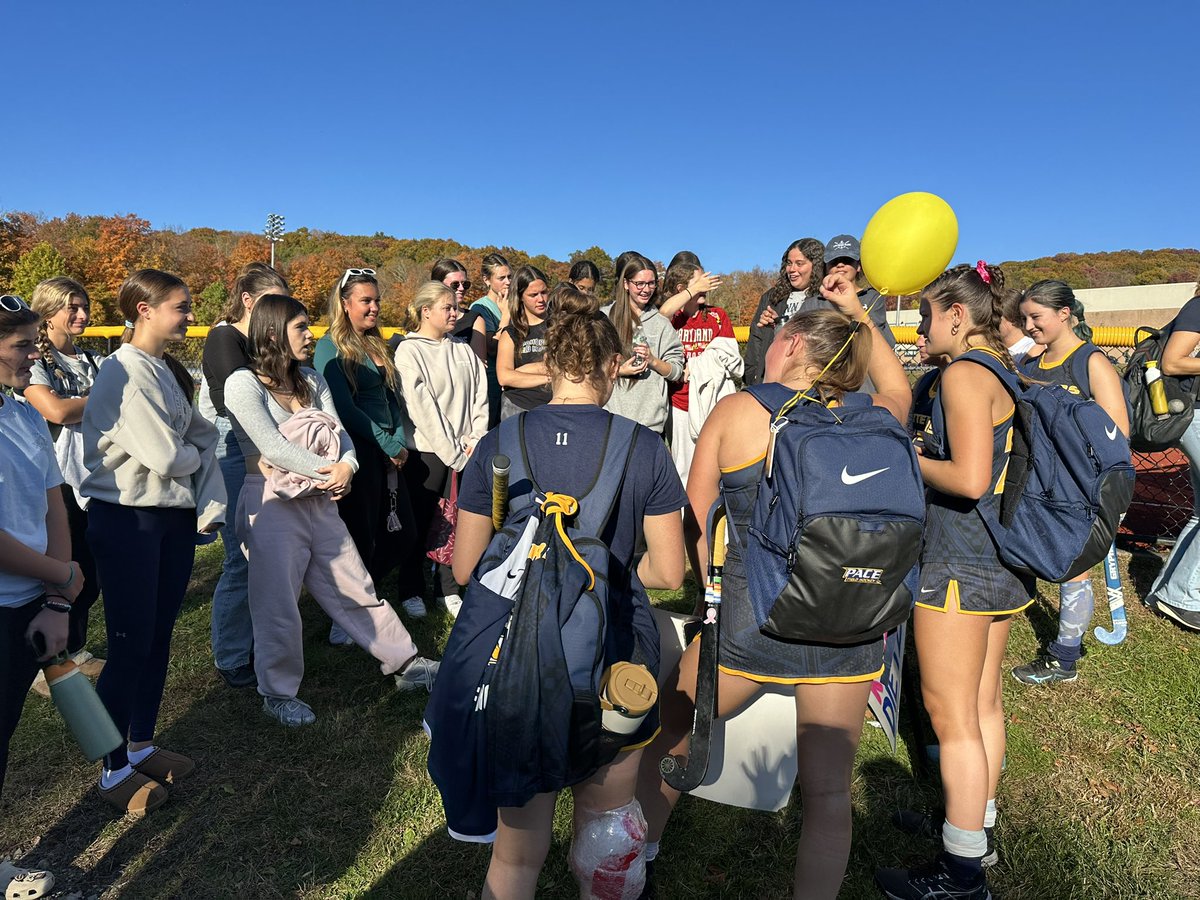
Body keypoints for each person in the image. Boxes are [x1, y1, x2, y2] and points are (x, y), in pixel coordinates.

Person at [638, 275, 911, 900]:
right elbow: (896, 384)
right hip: (852, 624)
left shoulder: (741, 411)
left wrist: (712, 598)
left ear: (790, 344)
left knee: (669, 731)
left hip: (751, 625)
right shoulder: (881, 416)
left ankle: (642, 859)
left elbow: (696, 520)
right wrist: (860, 314)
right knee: (828, 793)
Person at [450, 286, 686, 899]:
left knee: (515, 856)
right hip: (613, 657)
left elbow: (465, 569)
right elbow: (670, 572)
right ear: (613, 367)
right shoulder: (647, 449)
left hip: (519, 661)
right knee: (606, 840)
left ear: (547, 367)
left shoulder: (496, 444)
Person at [876, 263, 1030, 900]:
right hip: (999, 558)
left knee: (951, 718)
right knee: (983, 706)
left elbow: (968, 477)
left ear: (958, 317)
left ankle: (960, 873)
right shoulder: (1001, 369)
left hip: (960, 563)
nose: (919, 326)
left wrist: (908, 457)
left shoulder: (965, 376)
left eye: (927, 314)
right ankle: (975, 826)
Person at [224, 295, 439, 726]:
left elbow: (341, 434)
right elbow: (273, 447)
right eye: (301, 327)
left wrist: (348, 465)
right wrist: (333, 472)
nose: (310, 335)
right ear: (272, 334)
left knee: (355, 583)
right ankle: (278, 692)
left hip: (319, 503)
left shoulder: (310, 379)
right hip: (272, 504)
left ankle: (404, 662)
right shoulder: (241, 383)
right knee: (277, 603)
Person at [81, 269, 226, 817]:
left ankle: (141, 741)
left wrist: (189, 450)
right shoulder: (122, 371)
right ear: (144, 310)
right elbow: (172, 455)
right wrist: (192, 456)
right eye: (180, 306)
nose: (190, 315)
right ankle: (112, 763)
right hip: (127, 520)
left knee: (158, 635)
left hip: (167, 518)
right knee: (129, 643)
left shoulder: (163, 368)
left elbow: (200, 434)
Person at [0, 293, 86, 900]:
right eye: (21, 347)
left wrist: (56, 593)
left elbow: (54, 501)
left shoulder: (23, 414)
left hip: (32, 599)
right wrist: (58, 576)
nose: (36, 354)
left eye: (34, 341)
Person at [1008, 281, 1129, 685]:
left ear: (1065, 314)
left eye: (1036, 317)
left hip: (1074, 488)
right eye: (1024, 317)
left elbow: (1117, 436)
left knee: (1072, 568)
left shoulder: (1090, 362)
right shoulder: (1029, 362)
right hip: (1031, 481)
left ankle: (1065, 657)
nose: (1029, 325)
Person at [313, 268, 423, 622]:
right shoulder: (329, 346)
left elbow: (391, 398)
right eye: (366, 301)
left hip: (389, 450)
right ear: (345, 304)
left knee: (402, 533)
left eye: (377, 300)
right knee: (358, 535)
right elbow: (345, 408)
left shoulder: (377, 342)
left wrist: (396, 443)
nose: (374, 307)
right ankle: (345, 614)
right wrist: (387, 443)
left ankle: (364, 595)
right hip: (357, 451)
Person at [199, 261, 289, 689]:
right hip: (235, 448)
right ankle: (231, 656)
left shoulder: (258, 340)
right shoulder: (224, 335)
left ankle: (255, 644)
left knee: (262, 552)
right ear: (249, 300)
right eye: (272, 302)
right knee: (240, 557)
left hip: (259, 444)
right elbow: (230, 401)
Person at [22, 278, 105, 689]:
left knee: (90, 571)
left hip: (97, 475)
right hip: (54, 480)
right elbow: (53, 410)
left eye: (84, 306)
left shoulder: (93, 358)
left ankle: (74, 649)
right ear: (47, 312)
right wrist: (103, 401)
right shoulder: (33, 359)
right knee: (61, 567)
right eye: (72, 307)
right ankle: (45, 663)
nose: (82, 314)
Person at [394, 282, 489, 619]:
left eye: (455, 307)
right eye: (447, 307)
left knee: (458, 522)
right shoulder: (408, 352)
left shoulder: (463, 350)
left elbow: (480, 395)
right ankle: (410, 588)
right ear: (425, 311)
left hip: (466, 450)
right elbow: (422, 409)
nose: (454, 313)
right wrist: (453, 453)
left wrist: (476, 438)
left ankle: (446, 588)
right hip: (428, 453)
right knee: (419, 523)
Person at [1146, 285, 1200, 631]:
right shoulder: (1198, 306)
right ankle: (1182, 598)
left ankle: (1166, 593)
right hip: (1194, 415)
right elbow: (1173, 361)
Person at [658, 261, 738, 482]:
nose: (706, 285)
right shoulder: (672, 318)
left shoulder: (718, 316)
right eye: (700, 281)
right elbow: (662, 313)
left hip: (714, 403)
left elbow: (730, 358)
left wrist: (698, 366)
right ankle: (685, 516)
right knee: (684, 469)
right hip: (680, 403)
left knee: (717, 467)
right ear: (681, 288)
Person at [601, 255, 685, 435]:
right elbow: (590, 367)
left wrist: (653, 361)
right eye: (640, 284)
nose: (646, 289)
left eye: (651, 283)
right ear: (626, 284)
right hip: (610, 422)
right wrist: (620, 370)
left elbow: (677, 372)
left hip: (650, 427)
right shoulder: (604, 317)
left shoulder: (661, 323)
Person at [743, 238, 825, 385]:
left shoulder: (825, 297)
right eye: (789, 263)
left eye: (799, 263)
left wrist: (784, 326)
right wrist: (753, 376)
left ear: (816, 266)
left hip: (807, 384)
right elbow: (756, 339)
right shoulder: (771, 298)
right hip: (770, 385)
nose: (792, 269)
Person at [497, 265, 552, 419]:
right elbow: (504, 377)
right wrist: (548, 377)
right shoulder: (510, 333)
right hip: (518, 408)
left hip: (555, 407)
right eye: (533, 295)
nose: (541, 299)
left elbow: (563, 366)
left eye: (544, 292)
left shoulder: (559, 326)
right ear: (520, 296)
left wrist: (522, 371)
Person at [472, 253, 512, 427]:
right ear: (487, 280)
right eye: (501, 278)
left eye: (510, 276)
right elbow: (491, 347)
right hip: (492, 385)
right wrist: (506, 316)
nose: (508, 282)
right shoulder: (481, 307)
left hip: (512, 384)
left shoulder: (514, 303)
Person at [998, 286, 1035, 364]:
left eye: (996, 317)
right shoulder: (994, 347)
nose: (991, 322)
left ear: (1013, 319)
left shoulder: (1032, 350)